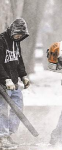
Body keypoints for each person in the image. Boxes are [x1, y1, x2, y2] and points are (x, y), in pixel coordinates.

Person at [0, 18, 30, 149]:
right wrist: (5, 79)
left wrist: (23, 75)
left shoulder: (16, 42)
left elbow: (19, 60)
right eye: (18, 33)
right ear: (12, 30)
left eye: (22, 34)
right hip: (2, 83)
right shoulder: (1, 40)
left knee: (17, 108)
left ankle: (9, 134)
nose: (19, 36)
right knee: (2, 110)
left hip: (14, 82)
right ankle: (2, 136)